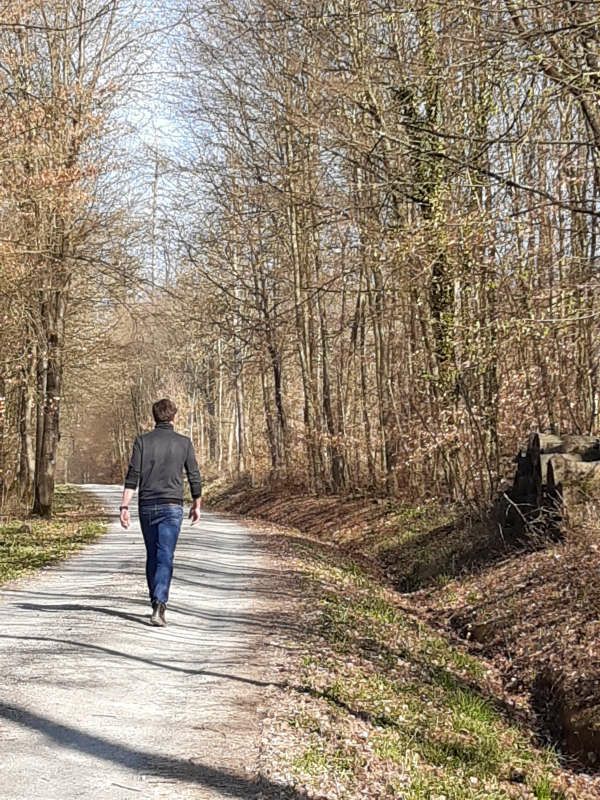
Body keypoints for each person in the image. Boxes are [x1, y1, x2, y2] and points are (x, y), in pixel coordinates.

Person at [119, 398, 202, 627]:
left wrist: (124, 506)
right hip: (172, 506)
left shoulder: (142, 442)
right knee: (165, 554)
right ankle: (159, 604)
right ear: (173, 416)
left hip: (147, 505)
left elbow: (132, 476)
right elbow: (193, 474)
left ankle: (156, 601)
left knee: (153, 555)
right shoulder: (184, 443)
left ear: (154, 416)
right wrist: (197, 503)